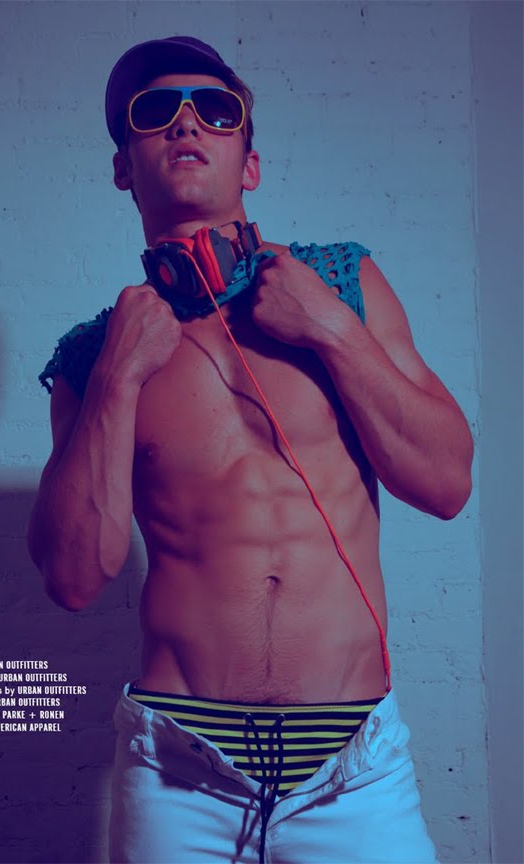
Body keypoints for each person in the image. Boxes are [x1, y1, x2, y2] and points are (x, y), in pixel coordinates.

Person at [27, 36, 473, 864]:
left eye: (215, 109)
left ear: (251, 163)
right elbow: (74, 578)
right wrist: (118, 377)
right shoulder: (92, 358)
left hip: (354, 774)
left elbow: (447, 484)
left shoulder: (343, 285)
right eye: (154, 112)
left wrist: (331, 328)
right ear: (123, 168)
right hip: (178, 772)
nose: (186, 122)